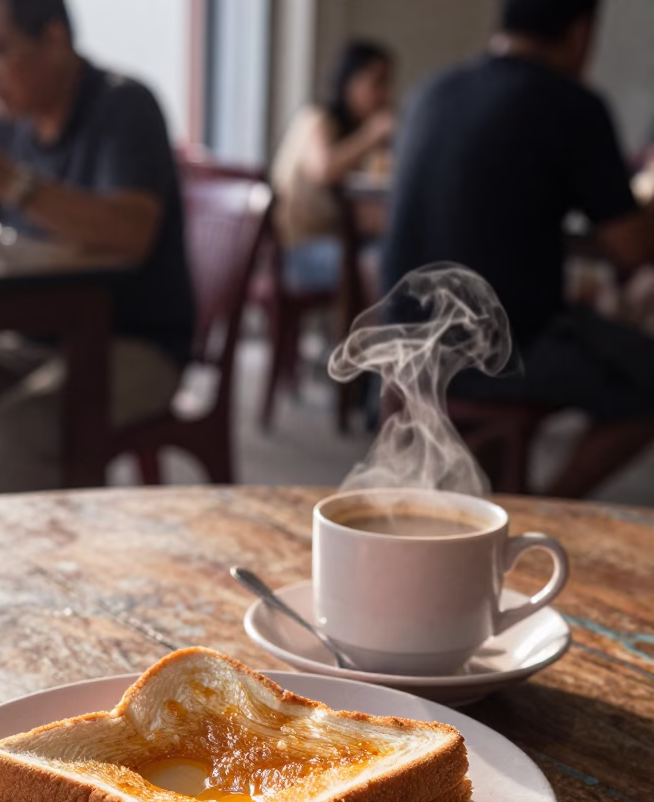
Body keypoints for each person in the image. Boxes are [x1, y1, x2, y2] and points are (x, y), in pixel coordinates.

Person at [0, 0, 194, 499]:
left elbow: (132, 232)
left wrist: (12, 182)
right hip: (39, 341)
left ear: (54, 39)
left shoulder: (123, 105)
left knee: (15, 431)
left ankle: (36, 572)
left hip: (135, 343)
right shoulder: (5, 122)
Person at [382, 0, 654, 498]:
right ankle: (550, 508)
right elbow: (633, 248)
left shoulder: (431, 91)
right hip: (501, 354)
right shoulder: (571, 104)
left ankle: (504, 501)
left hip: (400, 347)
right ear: (581, 31)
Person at [271, 41, 395, 293]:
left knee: (398, 254)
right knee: (380, 264)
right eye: (376, 83)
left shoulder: (351, 133)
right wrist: (372, 136)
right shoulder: (317, 118)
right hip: (295, 253)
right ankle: (364, 333)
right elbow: (324, 169)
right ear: (349, 82)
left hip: (335, 243)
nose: (384, 95)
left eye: (387, 84)